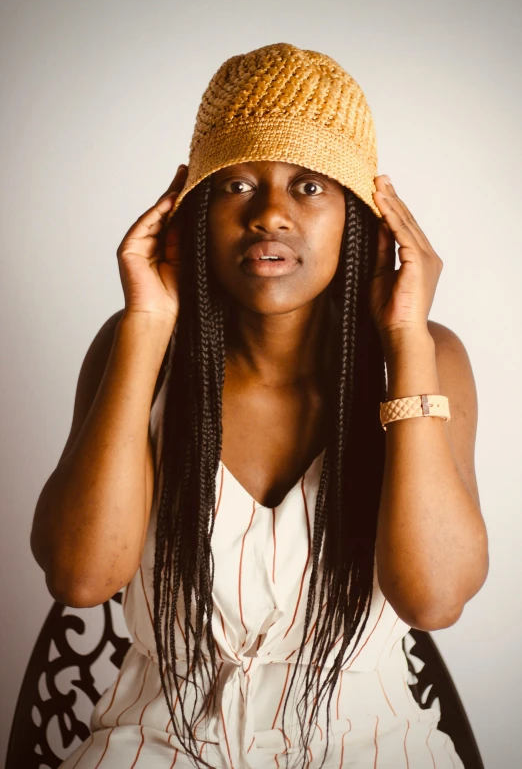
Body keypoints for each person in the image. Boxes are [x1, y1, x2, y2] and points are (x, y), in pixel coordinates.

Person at [31, 42, 488, 769]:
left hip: (369, 749)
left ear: (361, 218)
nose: (270, 214)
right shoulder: (136, 349)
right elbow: (81, 577)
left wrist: (404, 338)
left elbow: (432, 598)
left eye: (309, 186)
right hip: (154, 747)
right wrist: (146, 325)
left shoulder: (430, 357)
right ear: (193, 214)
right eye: (237, 185)